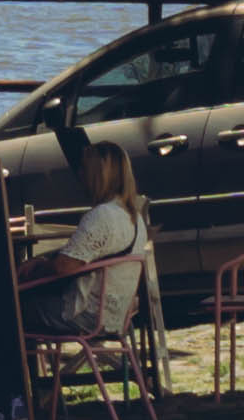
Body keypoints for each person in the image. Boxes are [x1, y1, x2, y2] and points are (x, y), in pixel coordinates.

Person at [22, 146, 157, 342]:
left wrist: (34, 268)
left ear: (98, 175)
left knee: (10, 310)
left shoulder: (102, 215)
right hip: (115, 316)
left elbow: (63, 266)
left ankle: (18, 372)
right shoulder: (133, 217)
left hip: (84, 315)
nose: (80, 175)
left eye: (84, 169)